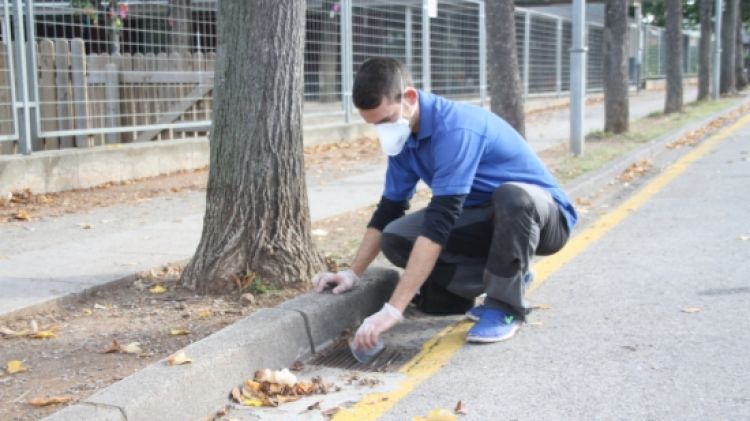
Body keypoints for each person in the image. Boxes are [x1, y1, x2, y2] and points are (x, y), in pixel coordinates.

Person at [311, 57, 577, 348]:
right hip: (483, 217)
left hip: (543, 218)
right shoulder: (403, 138)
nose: (384, 130)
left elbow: (441, 220)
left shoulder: (456, 130)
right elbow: (389, 208)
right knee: (397, 237)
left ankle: (505, 307)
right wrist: (353, 273)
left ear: (410, 97)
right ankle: (507, 274)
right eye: (375, 125)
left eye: (386, 120)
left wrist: (393, 309)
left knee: (511, 197)